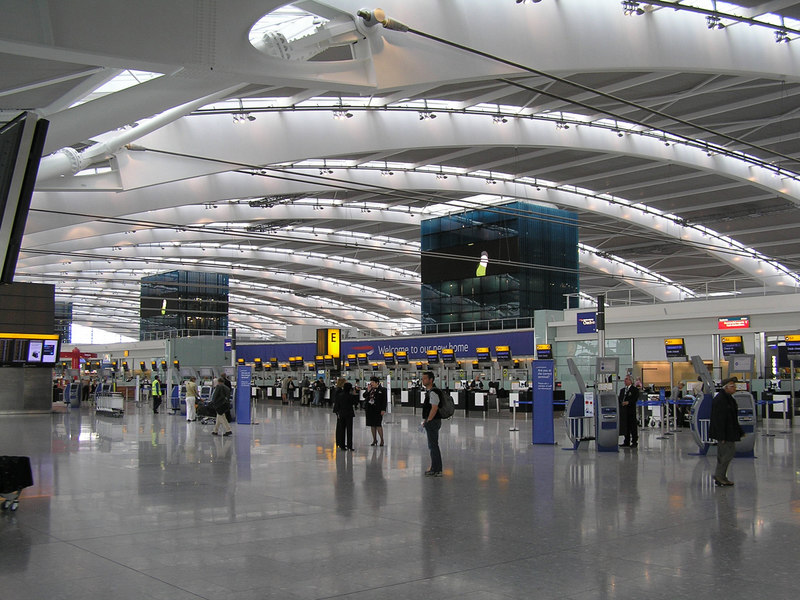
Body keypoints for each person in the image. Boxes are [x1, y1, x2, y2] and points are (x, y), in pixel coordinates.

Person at [709, 376, 744, 487]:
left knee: (724, 455)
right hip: (725, 434)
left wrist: (739, 431)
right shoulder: (721, 400)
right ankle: (719, 475)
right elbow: (719, 419)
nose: (735, 388)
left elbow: (731, 417)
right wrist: (721, 436)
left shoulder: (728, 398)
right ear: (726, 388)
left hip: (729, 432)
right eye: (732, 386)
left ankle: (722, 476)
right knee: (727, 454)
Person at [421, 371, 443, 477]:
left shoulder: (433, 392)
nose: (423, 380)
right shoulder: (430, 391)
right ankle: (435, 468)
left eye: (425, 378)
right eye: (423, 378)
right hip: (431, 421)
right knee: (433, 445)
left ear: (431, 380)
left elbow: (434, 408)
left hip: (433, 421)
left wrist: (428, 420)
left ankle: (436, 469)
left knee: (433, 446)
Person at [332, 378, 356, 451]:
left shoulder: (339, 394)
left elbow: (337, 404)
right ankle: (349, 445)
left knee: (341, 429)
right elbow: (355, 402)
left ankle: (341, 444)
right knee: (349, 430)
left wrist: (337, 412)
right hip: (349, 414)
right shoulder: (349, 395)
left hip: (341, 413)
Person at [364, 376, 387, 446]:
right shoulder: (370, 389)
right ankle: (374, 439)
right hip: (370, 409)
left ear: (377, 383)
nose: (371, 384)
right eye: (371, 382)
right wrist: (368, 390)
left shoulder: (382, 390)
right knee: (372, 425)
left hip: (378, 409)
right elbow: (364, 395)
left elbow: (384, 400)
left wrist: (383, 409)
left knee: (378, 425)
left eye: (373, 382)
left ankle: (382, 439)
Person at [618, 374, 639, 448]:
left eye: (626, 379)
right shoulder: (622, 390)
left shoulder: (635, 390)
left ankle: (634, 441)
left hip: (631, 411)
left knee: (632, 426)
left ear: (630, 381)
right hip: (624, 411)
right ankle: (626, 441)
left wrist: (628, 402)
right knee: (625, 426)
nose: (625, 381)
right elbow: (620, 399)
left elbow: (634, 399)